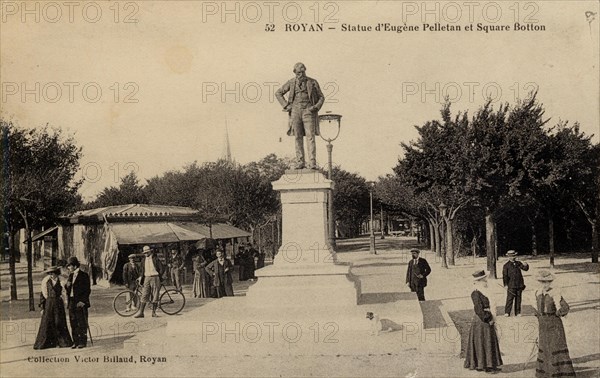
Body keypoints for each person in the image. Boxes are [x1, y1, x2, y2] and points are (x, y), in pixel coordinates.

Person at [275, 62, 325, 169]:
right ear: (295, 73)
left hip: (309, 110)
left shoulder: (312, 82)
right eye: (298, 73)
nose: (300, 74)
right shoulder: (291, 82)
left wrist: (315, 107)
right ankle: (300, 162)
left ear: (305, 71)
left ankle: (312, 162)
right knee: (297, 137)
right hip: (295, 111)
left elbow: (321, 97)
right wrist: (286, 105)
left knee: (310, 137)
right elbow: (278, 93)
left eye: (302, 72)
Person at [534, 270, 575, 378]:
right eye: (542, 282)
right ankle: (546, 373)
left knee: (555, 347)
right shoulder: (537, 293)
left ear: (550, 282)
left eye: (547, 282)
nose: (545, 284)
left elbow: (566, 307)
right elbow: (536, 308)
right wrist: (538, 314)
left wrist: (559, 312)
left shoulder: (555, 293)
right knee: (544, 347)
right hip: (543, 325)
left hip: (554, 324)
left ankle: (560, 373)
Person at [464, 270, 503, 373]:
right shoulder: (476, 292)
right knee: (483, 342)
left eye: (485, 279)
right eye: (484, 279)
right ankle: (484, 366)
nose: (486, 281)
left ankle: (491, 365)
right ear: (479, 281)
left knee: (489, 341)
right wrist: (488, 318)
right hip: (482, 320)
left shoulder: (485, 290)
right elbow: (478, 309)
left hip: (487, 317)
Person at [33, 266, 73, 349]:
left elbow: (64, 293)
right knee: (48, 322)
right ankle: (48, 343)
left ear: (56, 273)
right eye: (50, 273)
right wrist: (42, 307)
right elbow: (43, 295)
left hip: (58, 303)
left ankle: (61, 342)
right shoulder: (46, 281)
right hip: (49, 303)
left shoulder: (61, 281)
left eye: (53, 273)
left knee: (59, 321)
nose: (51, 275)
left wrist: (66, 303)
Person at [65, 256, 91, 349]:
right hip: (72, 301)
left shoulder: (84, 275)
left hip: (80, 302)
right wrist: (67, 286)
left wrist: (83, 301)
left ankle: (82, 342)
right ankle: (75, 341)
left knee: (82, 322)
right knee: (73, 322)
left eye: (70, 266)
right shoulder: (70, 275)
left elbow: (87, 290)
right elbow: (68, 289)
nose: (68, 268)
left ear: (75, 266)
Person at [134, 245, 165, 318]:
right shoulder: (143, 260)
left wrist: (159, 275)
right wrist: (140, 277)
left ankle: (153, 313)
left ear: (150, 252)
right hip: (146, 278)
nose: (146, 254)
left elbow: (162, 268)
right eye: (144, 253)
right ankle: (141, 313)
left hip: (155, 278)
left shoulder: (155, 259)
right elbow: (141, 270)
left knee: (155, 295)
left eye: (147, 252)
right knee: (144, 294)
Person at [502, 250, 529, 317]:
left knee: (518, 299)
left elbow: (525, 269)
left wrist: (526, 265)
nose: (513, 257)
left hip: (519, 284)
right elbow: (505, 276)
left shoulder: (518, 263)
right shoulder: (506, 265)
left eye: (514, 256)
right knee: (509, 299)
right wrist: (505, 285)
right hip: (511, 285)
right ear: (508, 257)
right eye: (511, 256)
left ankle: (518, 312)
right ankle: (507, 312)